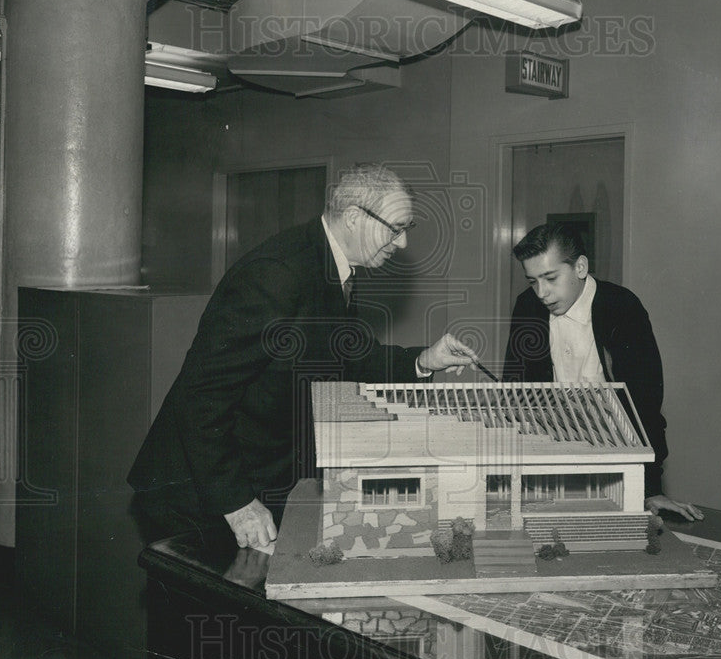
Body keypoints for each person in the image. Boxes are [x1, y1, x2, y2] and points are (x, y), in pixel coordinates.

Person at [128, 163, 479, 549]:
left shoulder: (334, 265)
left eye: (406, 230)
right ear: (353, 218)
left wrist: (424, 360)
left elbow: (352, 354)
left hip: (255, 474)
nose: (402, 244)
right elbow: (200, 395)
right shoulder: (277, 275)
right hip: (201, 491)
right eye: (395, 229)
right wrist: (238, 504)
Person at [503, 221, 703, 522]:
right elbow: (516, 395)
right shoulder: (527, 308)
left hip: (616, 460)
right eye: (533, 281)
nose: (542, 292)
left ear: (580, 267)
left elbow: (644, 407)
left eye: (550, 278)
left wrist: (650, 488)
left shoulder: (623, 308)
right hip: (547, 462)